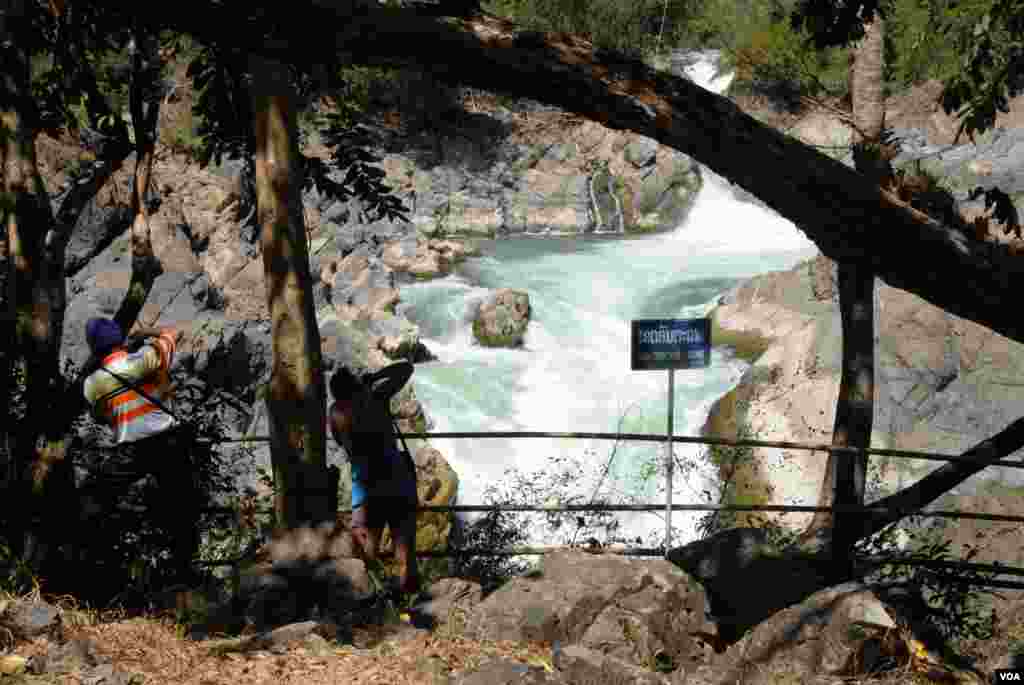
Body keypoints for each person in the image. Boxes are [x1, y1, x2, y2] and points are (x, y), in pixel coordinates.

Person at [80, 317, 198, 584]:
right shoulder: (145, 358)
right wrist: (144, 333)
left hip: (131, 450)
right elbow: (174, 332)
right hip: (168, 443)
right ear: (120, 339)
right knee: (181, 507)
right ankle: (184, 572)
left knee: (97, 497)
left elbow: (100, 416)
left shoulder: (92, 384)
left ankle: (98, 562)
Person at [328, 361, 419, 597]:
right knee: (404, 552)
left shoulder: (335, 414)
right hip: (397, 482)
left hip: (365, 488)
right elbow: (406, 368)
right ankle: (409, 602)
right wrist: (375, 377)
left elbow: (339, 441)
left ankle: (368, 601)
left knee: (365, 553)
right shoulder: (376, 398)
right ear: (355, 385)